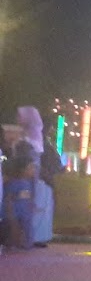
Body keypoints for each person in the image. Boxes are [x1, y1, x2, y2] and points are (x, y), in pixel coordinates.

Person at [16, 107, 60, 246]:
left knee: (34, 208)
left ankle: (33, 238)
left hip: (35, 180)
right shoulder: (37, 140)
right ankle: (34, 238)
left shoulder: (31, 141)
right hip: (38, 180)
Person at [3, 156, 38, 251]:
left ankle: (26, 244)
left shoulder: (29, 183)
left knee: (27, 228)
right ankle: (13, 245)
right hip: (16, 211)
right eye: (31, 168)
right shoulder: (14, 183)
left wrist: (32, 205)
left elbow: (29, 197)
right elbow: (8, 198)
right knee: (14, 228)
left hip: (25, 212)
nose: (33, 170)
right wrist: (10, 212)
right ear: (23, 170)